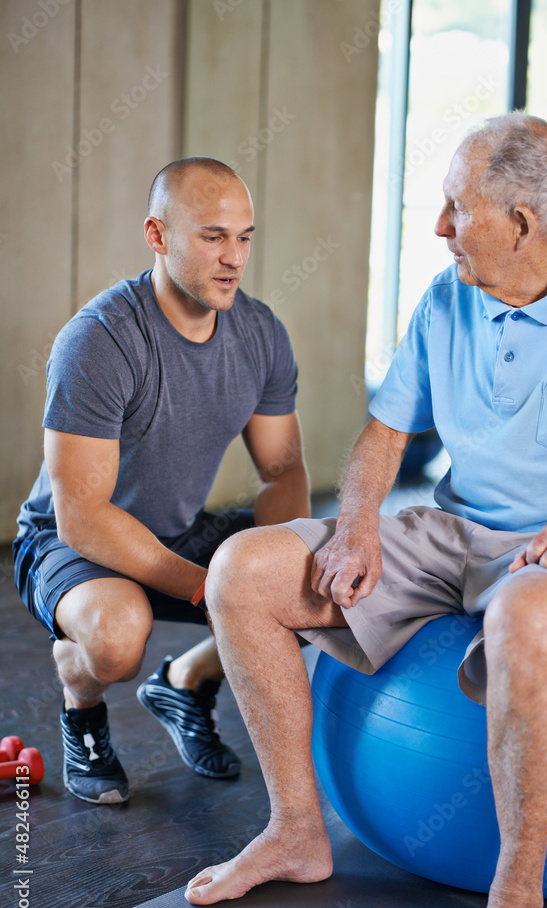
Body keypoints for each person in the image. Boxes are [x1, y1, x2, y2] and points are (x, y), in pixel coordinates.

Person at [180, 115, 547, 908]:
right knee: (243, 568)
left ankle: (514, 906)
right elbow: (386, 433)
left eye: (454, 209)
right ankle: (297, 831)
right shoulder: (446, 297)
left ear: (520, 220)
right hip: (455, 531)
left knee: (524, 610)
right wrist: (354, 526)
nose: (437, 228)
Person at [13, 157, 309, 806]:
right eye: (212, 237)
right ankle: (80, 700)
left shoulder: (259, 333)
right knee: (117, 640)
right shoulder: (100, 340)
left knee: (315, 576)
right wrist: (216, 589)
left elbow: (282, 472)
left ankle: (184, 681)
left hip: (177, 529)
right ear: (157, 235)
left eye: (244, 237)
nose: (233, 257)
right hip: (70, 542)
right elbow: (82, 516)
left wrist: (284, 567)